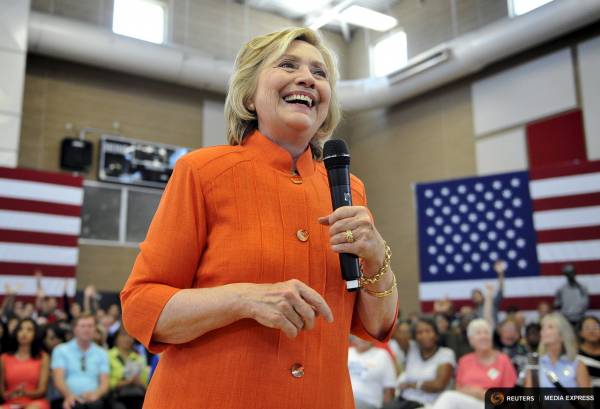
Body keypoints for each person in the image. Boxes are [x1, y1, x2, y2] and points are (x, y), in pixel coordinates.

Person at [120, 27, 398, 409]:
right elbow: (140, 306)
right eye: (288, 65)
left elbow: (377, 326)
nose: (307, 78)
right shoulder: (202, 173)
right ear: (250, 96)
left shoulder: (350, 191)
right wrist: (245, 299)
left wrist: (377, 256)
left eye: (320, 73)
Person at [431, 319, 517, 409]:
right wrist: (472, 392)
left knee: (448, 397)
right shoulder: (464, 361)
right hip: (467, 403)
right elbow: (458, 388)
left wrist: (483, 394)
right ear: (471, 340)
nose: (483, 336)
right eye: (478, 333)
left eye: (486, 333)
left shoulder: (503, 360)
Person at [390, 317, 455, 408]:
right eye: (419, 332)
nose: (424, 335)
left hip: (429, 404)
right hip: (404, 401)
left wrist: (412, 384)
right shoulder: (411, 348)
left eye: (428, 331)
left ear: (436, 334)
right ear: (415, 336)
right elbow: (396, 335)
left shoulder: (446, 354)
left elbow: (438, 385)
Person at [51, 314, 109, 409]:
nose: (87, 329)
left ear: (95, 329)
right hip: (66, 398)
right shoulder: (61, 350)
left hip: (94, 400)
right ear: (75, 329)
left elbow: (105, 383)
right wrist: (69, 396)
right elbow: (58, 379)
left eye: (90, 326)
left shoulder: (102, 353)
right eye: (82, 326)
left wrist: (96, 394)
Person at [525, 312, 591, 388]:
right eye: (543, 327)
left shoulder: (577, 364)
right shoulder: (534, 363)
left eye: (550, 327)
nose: (543, 331)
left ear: (562, 335)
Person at [0, 318, 50, 409]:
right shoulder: (4, 358)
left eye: (29, 330)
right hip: (11, 402)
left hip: (35, 403)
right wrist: (11, 394)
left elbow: (42, 390)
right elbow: (2, 393)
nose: (24, 333)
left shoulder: (43, 357)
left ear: (35, 334)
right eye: (21, 329)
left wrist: (25, 392)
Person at [348, 336, 396, 409]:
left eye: (367, 335)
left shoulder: (382, 355)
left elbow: (389, 389)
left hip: (369, 402)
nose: (363, 338)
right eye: (360, 335)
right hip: (345, 399)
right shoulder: (347, 352)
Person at [108, 328, 148, 409]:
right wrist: (126, 382)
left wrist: (138, 382)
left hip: (137, 393)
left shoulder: (139, 357)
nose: (127, 339)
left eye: (130, 336)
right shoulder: (108, 355)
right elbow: (108, 383)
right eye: (123, 336)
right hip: (116, 395)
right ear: (116, 339)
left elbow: (145, 383)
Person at [578, 316, 600, 387]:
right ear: (581, 333)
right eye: (587, 328)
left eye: (595, 327)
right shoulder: (575, 356)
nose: (592, 331)